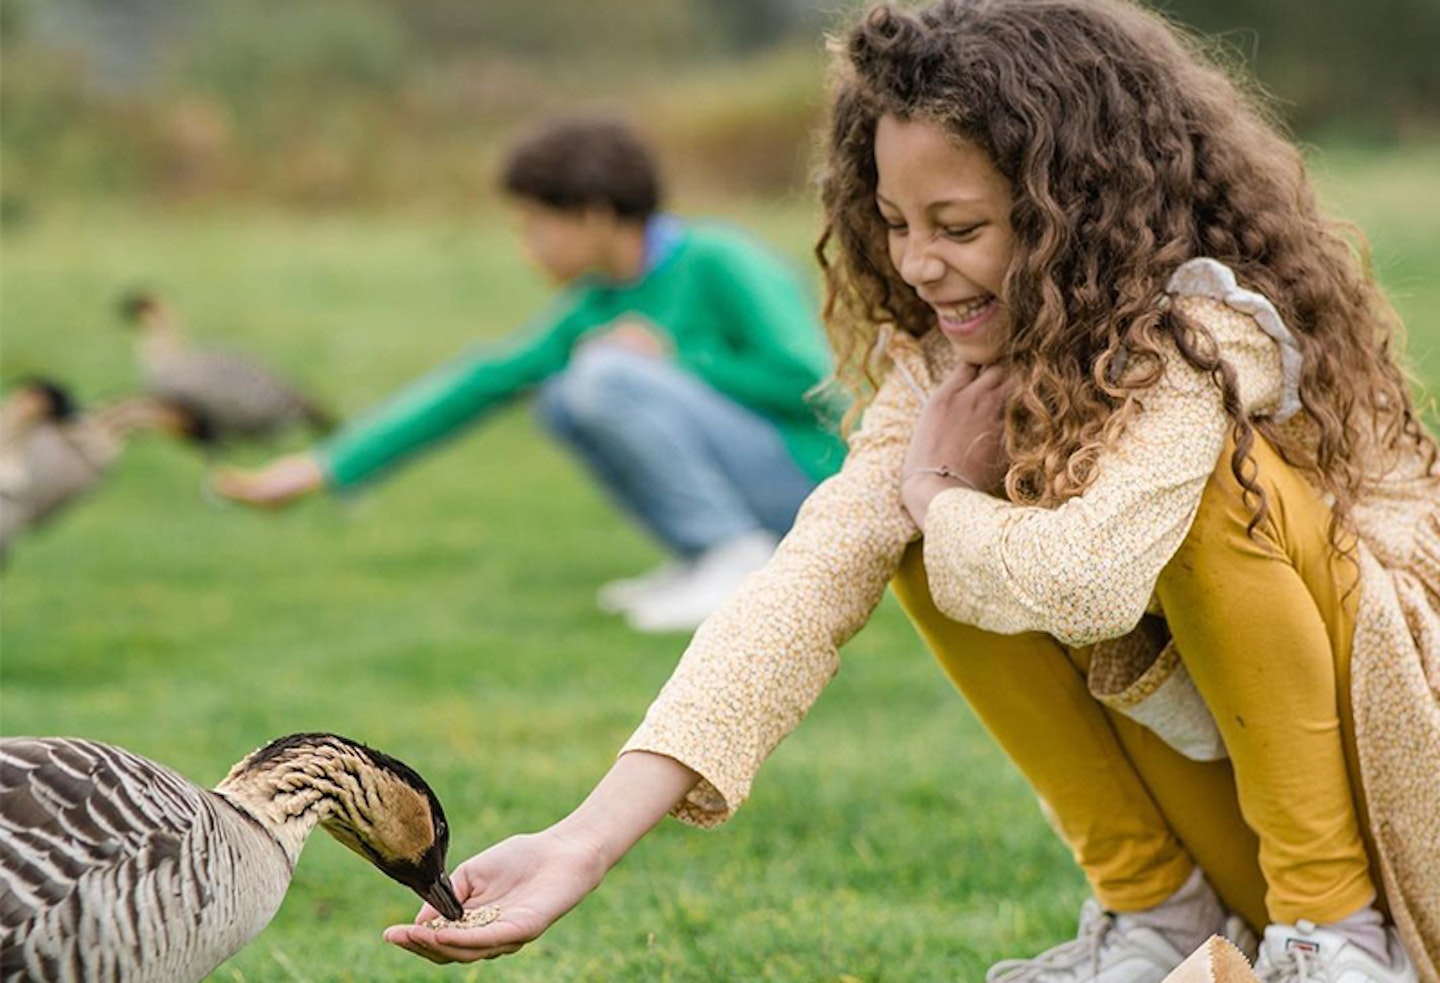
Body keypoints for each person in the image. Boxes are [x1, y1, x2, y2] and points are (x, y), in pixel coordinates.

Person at [381, 2, 1440, 981]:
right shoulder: (943, 378)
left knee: (1180, 494)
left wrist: (937, 490)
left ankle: (1332, 941)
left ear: (1074, 211)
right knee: (906, 527)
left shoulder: (1208, 335)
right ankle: (1155, 913)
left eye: (960, 226)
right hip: (1231, 824)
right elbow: (798, 590)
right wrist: (585, 838)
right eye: (895, 223)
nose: (920, 264)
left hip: (1392, 835)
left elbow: (1091, 585)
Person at [211, 117, 844, 633]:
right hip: (757, 478)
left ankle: (733, 555)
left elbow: (812, 383)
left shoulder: (721, 260)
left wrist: (679, 360)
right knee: (566, 394)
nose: (527, 248)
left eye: (534, 226)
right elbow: (480, 382)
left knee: (602, 375)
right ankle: (703, 556)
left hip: (811, 483)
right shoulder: (596, 303)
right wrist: (322, 469)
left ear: (594, 215)